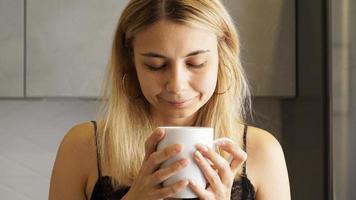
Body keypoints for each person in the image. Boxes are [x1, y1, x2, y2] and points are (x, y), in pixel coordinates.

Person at [49, 0, 290, 199]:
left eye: (196, 63)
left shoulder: (261, 151)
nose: (176, 85)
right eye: (156, 65)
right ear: (130, 64)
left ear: (222, 59)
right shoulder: (84, 147)